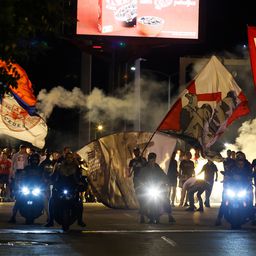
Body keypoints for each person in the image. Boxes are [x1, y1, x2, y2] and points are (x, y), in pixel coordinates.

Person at [45, 152, 86, 227]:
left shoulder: (76, 167)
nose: (69, 159)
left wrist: (81, 183)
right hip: (60, 187)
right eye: (67, 157)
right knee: (51, 201)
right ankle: (51, 221)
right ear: (65, 158)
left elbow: (79, 177)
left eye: (70, 157)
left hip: (72, 188)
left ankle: (80, 220)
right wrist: (51, 180)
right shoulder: (59, 166)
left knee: (79, 202)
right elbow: (54, 175)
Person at [137, 152, 176, 224]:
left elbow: (164, 176)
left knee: (165, 199)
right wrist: (142, 184)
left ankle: (170, 215)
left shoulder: (157, 168)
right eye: (150, 160)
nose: (152, 162)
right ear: (148, 160)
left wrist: (165, 181)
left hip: (157, 187)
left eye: (153, 160)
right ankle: (142, 216)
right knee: (143, 200)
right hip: (147, 188)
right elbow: (139, 179)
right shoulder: (144, 170)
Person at [8, 153, 45, 223]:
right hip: (27, 187)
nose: (34, 161)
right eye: (33, 160)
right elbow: (22, 176)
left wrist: (44, 183)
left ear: (38, 161)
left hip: (37, 187)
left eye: (36, 160)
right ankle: (13, 216)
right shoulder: (27, 168)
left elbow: (43, 178)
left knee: (44, 199)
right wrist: (19, 183)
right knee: (18, 199)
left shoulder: (40, 169)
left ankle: (49, 218)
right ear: (30, 160)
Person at [127, 147, 147, 223]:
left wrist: (141, 160)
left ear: (139, 151)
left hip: (144, 179)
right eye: (135, 151)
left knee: (145, 194)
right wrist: (128, 173)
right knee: (138, 194)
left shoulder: (143, 159)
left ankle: (144, 208)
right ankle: (141, 207)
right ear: (134, 152)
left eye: (137, 151)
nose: (136, 153)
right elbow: (129, 168)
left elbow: (146, 166)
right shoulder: (132, 161)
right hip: (136, 179)